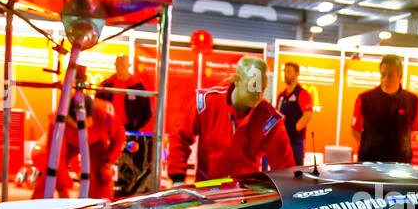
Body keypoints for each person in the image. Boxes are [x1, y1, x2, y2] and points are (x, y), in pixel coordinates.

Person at [167, 55, 294, 183]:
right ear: (236, 80)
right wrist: (177, 177)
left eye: (262, 89)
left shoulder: (270, 121)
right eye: (252, 86)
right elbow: (179, 136)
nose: (257, 94)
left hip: (245, 191)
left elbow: (284, 167)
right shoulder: (207, 102)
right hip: (207, 187)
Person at [32, 84, 123, 200]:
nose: (79, 129)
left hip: (96, 145)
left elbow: (119, 138)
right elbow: (56, 155)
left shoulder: (105, 115)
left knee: (101, 179)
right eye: (74, 125)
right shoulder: (58, 120)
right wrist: (63, 185)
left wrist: (109, 162)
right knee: (50, 175)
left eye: (82, 125)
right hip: (68, 145)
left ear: (91, 117)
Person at [352, 54, 418, 163]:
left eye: (390, 75)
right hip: (371, 162)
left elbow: (411, 131)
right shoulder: (365, 99)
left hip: (401, 164)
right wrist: (371, 146)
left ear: (400, 75)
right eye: (383, 75)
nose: (385, 80)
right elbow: (355, 131)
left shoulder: (412, 100)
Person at [96, 54, 153, 135]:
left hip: (129, 129)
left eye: (122, 65)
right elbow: (96, 105)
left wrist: (137, 125)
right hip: (108, 128)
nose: (120, 67)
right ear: (115, 66)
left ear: (128, 66)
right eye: (118, 65)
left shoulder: (137, 86)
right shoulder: (107, 84)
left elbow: (147, 110)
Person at [276, 61, 315, 165]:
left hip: (295, 142)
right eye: (285, 71)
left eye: (289, 71)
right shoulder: (281, 96)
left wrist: (294, 129)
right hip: (282, 141)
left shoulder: (302, 93)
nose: (285, 74)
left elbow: (308, 115)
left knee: (295, 172)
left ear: (297, 74)